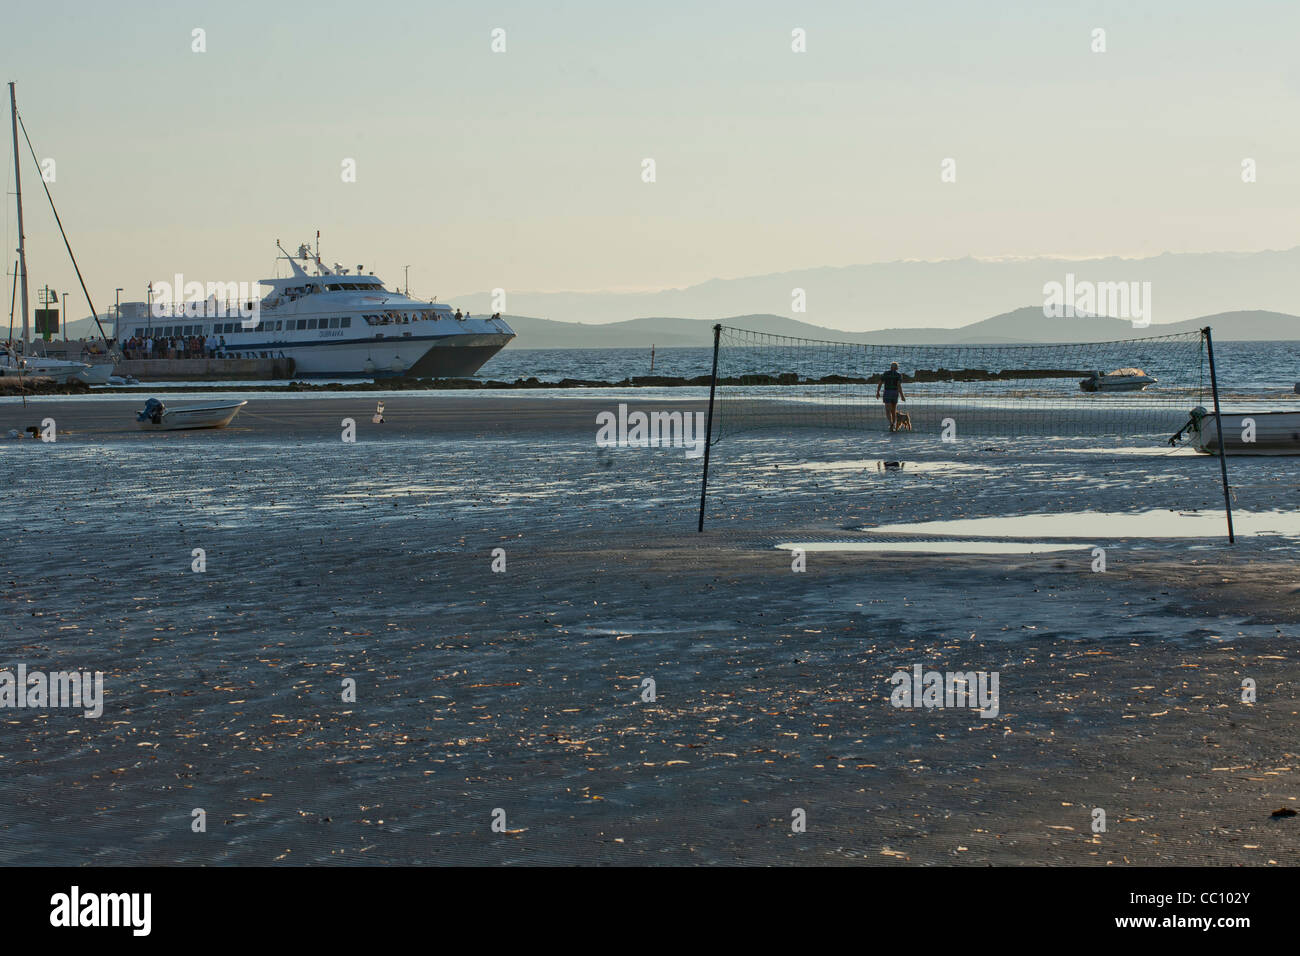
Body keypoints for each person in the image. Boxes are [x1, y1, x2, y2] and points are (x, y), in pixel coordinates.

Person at [876, 361, 906, 431]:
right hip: (895, 392)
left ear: (890, 367)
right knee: (893, 410)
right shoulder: (898, 375)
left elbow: (880, 383)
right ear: (897, 368)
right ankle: (894, 424)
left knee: (887, 410)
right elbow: (899, 385)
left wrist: (878, 392)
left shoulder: (886, 373)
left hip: (887, 392)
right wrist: (902, 395)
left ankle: (891, 423)